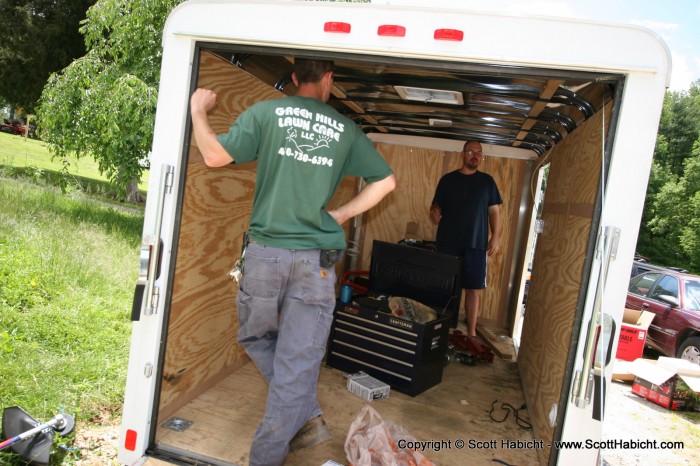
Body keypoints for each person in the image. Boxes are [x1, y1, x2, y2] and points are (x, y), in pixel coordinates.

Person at [190, 58, 396, 466]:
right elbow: (386, 182)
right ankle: (301, 411)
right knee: (296, 365)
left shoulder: (267, 112)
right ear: (330, 80)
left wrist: (198, 109)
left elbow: (213, 156)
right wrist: (340, 215)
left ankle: (266, 453)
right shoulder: (346, 130)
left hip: (266, 255)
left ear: (296, 78)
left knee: (256, 338)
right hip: (316, 262)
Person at [429, 140, 502, 337]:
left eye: (479, 152)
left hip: (476, 245)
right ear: (463, 154)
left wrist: (495, 237)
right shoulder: (447, 180)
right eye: (471, 151)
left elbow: (494, 212)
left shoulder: (487, 182)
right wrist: (434, 213)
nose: (475, 155)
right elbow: (436, 207)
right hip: (448, 243)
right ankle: (441, 330)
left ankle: (471, 333)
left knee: (473, 290)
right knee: (445, 289)